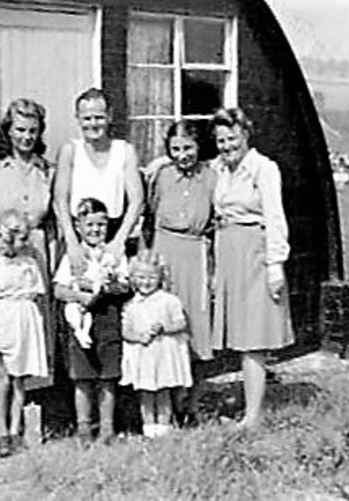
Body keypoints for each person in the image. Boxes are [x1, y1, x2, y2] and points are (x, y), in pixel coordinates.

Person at [210, 107, 294, 430]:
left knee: (253, 337)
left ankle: (253, 416)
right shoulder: (217, 169)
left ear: (245, 135)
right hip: (227, 250)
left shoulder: (263, 169)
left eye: (232, 139)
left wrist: (276, 264)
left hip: (255, 253)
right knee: (237, 334)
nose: (227, 146)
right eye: (220, 140)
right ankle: (247, 405)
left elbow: (275, 217)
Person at [0, 98, 56, 387]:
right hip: (1, 259)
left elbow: (51, 221)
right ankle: (2, 407)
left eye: (33, 131)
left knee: (33, 327)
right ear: (8, 131)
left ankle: (33, 403)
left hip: (34, 255)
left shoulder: (46, 169)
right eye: (20, 129)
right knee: (1, 331)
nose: (26, 137)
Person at [144, 121, 216, 427]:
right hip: (165, 254)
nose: (182, 154)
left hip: (196, 254)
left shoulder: (211, 176)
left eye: (187, 148)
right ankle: (168, 406)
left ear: (198, 147)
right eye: (175, 149)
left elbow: (217, 222)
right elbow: (148, 217)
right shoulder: (161, 175)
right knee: (166, 329)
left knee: (197, 332)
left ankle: (193, 404)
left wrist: (213, 269)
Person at [53, 198, 129, 444]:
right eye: (90, 225)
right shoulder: (72, 255)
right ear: (78, 227)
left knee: (108, 376)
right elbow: (58, 290)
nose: (96, 230)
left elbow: (126, 285)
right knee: (82, 377)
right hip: (81, 320)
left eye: (101, 225)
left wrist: (111, 286)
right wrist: (80, 296)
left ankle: (107, 428)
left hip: (108, 317)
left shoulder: (114, 253)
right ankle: (84, 426)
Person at [0, 209, 48, 457]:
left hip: (23, 324)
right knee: (2, 379)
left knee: (18, 381)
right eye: (6, 241)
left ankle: (16, 431)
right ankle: (1, 432)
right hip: (0, 324)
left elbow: (36, 294)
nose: (11, 247)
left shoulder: (28, 264)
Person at [53, 88, 143, 264]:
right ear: (78, 119)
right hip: (77, 234)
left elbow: (137, 201)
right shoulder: (70, 151)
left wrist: (119, 242)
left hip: (114, 233)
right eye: (87, 118)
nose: (93, 124)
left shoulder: (124, 151)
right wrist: (72, 243)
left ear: (109, 116)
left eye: (99, 117)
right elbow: (60, 200)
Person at [119, 250, 193, 438]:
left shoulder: (169, 301)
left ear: (160, 277)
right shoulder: (131, 305)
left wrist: (164, 327)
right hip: (143, 355)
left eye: (151, 277)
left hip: (163, 354)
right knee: (145, 392)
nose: (146, 282)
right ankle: (148, 428)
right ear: (133, 278)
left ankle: (164, 427)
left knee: (162, 391)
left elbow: (181, 323)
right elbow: (125, 331)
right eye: (141, 277)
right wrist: (139, 337)